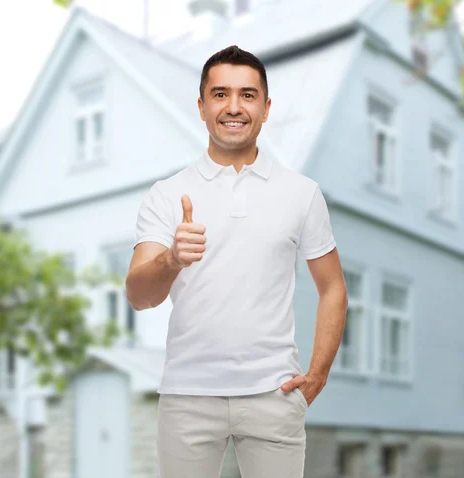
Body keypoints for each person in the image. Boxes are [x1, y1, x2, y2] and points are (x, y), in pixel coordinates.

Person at [125, 45, 348, 478]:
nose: (233, 107)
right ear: (202, 106)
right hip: (188, 397)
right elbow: (138, 296)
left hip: (274, 395)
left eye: (247, 95)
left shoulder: (302, 193)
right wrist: (171, 259)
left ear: (266, 109)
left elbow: (333, 287)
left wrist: (317, 376)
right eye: (220, 94)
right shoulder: (167, 194)